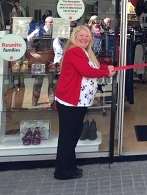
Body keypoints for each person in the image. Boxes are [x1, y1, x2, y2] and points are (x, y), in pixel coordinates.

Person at [53, 25, 116, 180]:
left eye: (87, 36)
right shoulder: (74, 51)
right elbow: (86, 71)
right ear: (74, 37)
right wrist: (106, 72)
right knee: (69, 136)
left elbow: (91, 66)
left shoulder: (84, 52)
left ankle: (68, 167)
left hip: (77, 101)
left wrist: (105, 67)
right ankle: (63, 172)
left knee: (72, 135)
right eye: (81, 35)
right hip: (70, 101)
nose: (84, 38)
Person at [27, 16, 54, 106]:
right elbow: (29, 38)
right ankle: (35, 99)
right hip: (40, 57)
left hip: (51, 57)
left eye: (52, 22)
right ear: (45, 22)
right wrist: (32, 52)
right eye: (49, 22)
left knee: (52, 79)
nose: (51, 24)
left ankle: (51, 99)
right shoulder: (39, 30)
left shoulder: (55, 32)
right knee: (38, 79)